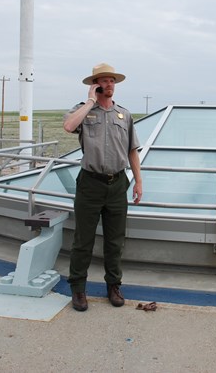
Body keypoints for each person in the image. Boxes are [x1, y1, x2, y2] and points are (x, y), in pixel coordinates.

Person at [63, 63, 143, 312]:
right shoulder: (82, 111)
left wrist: (138, 180)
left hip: (118, 184)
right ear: (95, 84)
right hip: (90, 183)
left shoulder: (124, 114)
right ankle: (78, 289)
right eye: (104, 81)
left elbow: (132, 150)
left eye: (112, 81)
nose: (109, 85)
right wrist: (89, 102)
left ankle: (113, 286)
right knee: (82, 241)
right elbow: (68, 126)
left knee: (115, 241)